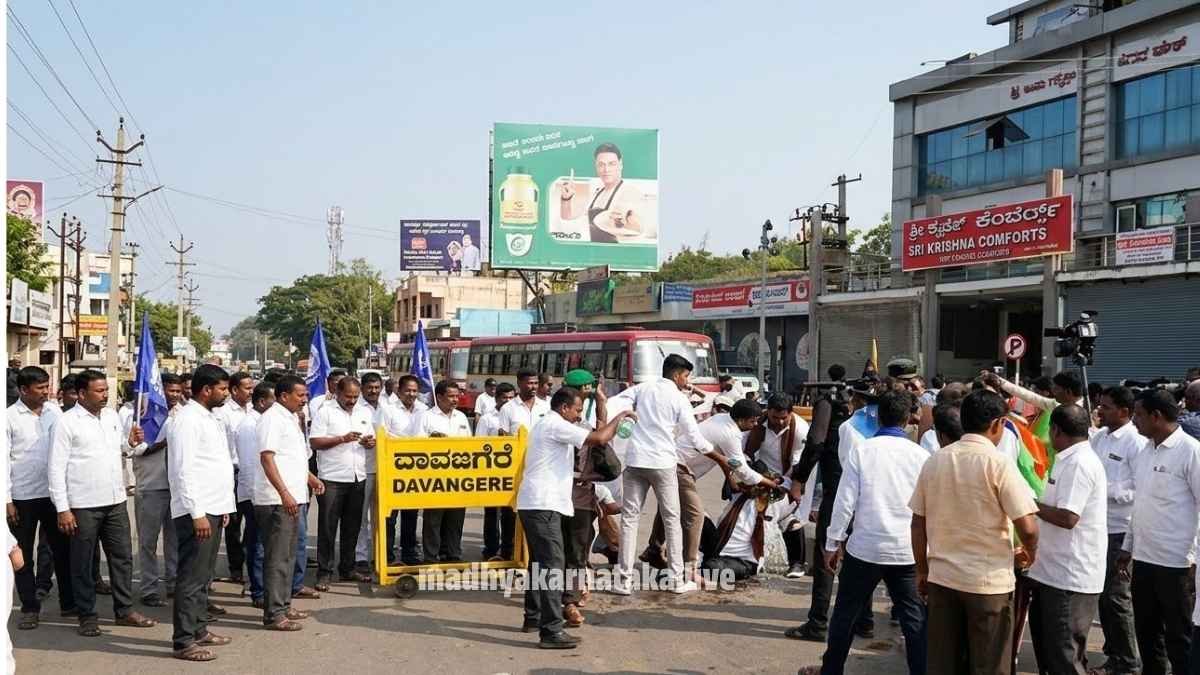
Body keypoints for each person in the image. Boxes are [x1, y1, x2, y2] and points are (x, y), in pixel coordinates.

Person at [909, 389, 1039, 675]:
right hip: (987, 584)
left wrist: (921, 570)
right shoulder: (998, 463)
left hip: (943, 580)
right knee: (990, 665)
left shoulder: (936, 460)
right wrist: (1030, 553)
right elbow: (1028, 527)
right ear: (997, 424)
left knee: (944, 664)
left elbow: (918, 523)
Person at [805, 389, 929, 675]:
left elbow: (845, 501)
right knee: (914, 620)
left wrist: (832, 542)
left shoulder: (863, 451)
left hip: (865, 548)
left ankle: (832, 670)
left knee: (845, 615)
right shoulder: (921, 456)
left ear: (877, 417)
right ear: (908, 420)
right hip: (905, 550)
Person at [517, 386, 634, 648]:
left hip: (538, 503)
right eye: (577, 410)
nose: (578, 415)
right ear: (564, 408)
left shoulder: (548, 425)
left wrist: (602, 407)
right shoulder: (555, 425)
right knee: (552, 567)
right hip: (543, 505)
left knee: (539, 564)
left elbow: (594, 436)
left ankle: (533, 618)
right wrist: (621, 417)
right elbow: (600, 438)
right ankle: (551, 631)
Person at [48, 369, 158, 637]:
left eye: (106, 390)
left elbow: (123, 448)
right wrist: (63, 509)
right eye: (99, 391)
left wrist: (131, 443)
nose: (105, 395)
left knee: (122, 558)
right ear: (82, 394)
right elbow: (55, 467)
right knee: (83, 562)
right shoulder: (66, 422)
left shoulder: (110, 416)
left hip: (115, 500)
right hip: (83, 504)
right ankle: (87, 614)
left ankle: (124, 610)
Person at [610, 354, 712, 595]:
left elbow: (613, 404)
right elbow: (695, 437)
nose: (687, 381)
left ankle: (622, 581)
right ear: (677, 375)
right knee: (671, 519)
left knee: (629, 519)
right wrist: (715, 453)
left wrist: (626, 416)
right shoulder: (678, 398)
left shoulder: (641, 389)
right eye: (686, 376)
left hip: (635, 461)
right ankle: (677, 580)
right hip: (663, 463)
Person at [1116, 389, 1200, 675]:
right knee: (1148, 635)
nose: (1134, 420)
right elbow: (1141, 503)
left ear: (1156, 416)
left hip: (1177, 564)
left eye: (1138, 415)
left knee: (1180, 638)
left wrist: (1193, 560)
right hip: (1144, 559)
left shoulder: (1191, 451)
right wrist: (1128, 547)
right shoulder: (1144, 451)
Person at [787, 373, 874, 643]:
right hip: (868, 496)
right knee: (860, 558)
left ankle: (818, 622)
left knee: (826, 556)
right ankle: (865, 620)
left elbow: (814, 443)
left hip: (838, 493)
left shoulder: (831, 411)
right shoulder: (877, 418)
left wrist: (799, 478)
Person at [1026, 404, 1107, 675]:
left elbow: (1068, 517)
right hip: (1052, 573)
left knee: (1065, 656)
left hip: (1069, 577)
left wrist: (1030, 505)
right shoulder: (1067, 459)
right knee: (1051, 653)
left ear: (1056, 429)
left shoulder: (1079, 463)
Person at [643, 398, 768, 574]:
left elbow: (723, 458)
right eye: (753, 421)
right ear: (741, 420)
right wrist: (768, 482)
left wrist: (730, 480)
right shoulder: (730, 433)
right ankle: (689, 569)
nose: (755, 425)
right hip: (678, 469)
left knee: (669, 508)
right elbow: (742, 470)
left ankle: (654, 550)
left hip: (673, 464)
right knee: (695, 516)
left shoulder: (721, 419)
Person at [167, 364, 237, 662]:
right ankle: (184, 641)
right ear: (206, 390)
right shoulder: (186, 420)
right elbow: (182, 471)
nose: (226, 393)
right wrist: (197, 513)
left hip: (213, 506)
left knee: (203, 575)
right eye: (222, 388)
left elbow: (214, 466)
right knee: (191, 577)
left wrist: (223, 507)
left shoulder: (210, 417)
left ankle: (199, 629)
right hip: (195, 510)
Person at [7, 366, 74, 629]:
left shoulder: (54, 413)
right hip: (21, 497)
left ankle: (69, 603)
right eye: (40, 388)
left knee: (62, 550)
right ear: (23, 390)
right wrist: (7, 499)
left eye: (47, 387)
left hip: (53, 495)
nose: (46, 392)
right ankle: (29, 607)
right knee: (23, 555)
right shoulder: (9, 417)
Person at [255, 374, 323, 631]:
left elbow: (292, 459)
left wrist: (310, 478)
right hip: (276, 500)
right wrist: (284, 493)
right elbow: (267, 458)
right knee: (277, 558)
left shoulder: (291, 418)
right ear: (284, 396)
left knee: (289, 555)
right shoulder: (272, 419)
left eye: (305, 395)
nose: (305, 399)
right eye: (300, 395)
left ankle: (283, 605)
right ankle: (274, 614)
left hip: (294, 497)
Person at [1089, 386, 1147, 675]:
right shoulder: (1098, 438)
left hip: (1120, 530)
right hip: (1097, 527)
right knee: (1103, 597)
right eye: (1100, 406)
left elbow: (1139, 488)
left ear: (1124, 411)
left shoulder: (1136, 443)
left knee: (1116, 597)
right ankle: (1114, 655)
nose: (1100, 410)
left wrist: (1104, 491)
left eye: (1107, 407)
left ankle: (1128, 662)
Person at [309, 376, 374, 589]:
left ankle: (347, 568)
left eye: (356, 396)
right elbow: (315, 442)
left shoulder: (365, 412)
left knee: (352, 526)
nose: (352, 400)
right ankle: (324, 572)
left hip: (358, 476)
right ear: (337, 392)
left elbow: (370, 439)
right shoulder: (325, 412)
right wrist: (341, 439)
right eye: (348, 396)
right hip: (333, 479)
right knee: (328, 528)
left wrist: (368, 442)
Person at [129, 373, 184, 608]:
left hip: (177, 488)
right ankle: (149, 588)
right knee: (148, 542)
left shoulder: (184, 414)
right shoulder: (138, 414)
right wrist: (163, 443)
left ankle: (174, 583)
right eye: (170, 391)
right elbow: (134, 449)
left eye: (177, 391)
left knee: (175, 541)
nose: (174, 395)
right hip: (151, 486)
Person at [744, 393, 810, 578]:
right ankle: (751, 557)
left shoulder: (800, 429)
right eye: (775, 417)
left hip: (790, 478)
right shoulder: (756, 424)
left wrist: (783, 483)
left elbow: (798, 465)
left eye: (784, 418)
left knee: (788, 518)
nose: (780, 422)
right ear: (768, 412)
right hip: (760, 476)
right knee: (746, 510)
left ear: (791, 414)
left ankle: (797, 564)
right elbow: (745, 452)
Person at [410, 381, 473, 562]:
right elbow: (415, 445)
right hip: (434, 477)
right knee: (433, 519)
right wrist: (432, 440)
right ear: (439, 397)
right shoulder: (426, 417)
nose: (455, 399)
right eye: (451, 396)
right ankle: (431, 556)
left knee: (455, 518)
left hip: (458, 477)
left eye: (457, 396)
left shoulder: (461, 417)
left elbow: (469, 444)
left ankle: (452, 554)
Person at [377, 374, 428, 565]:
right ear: (399, 391)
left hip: (414, 470)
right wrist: (406, 444)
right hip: (391, 469)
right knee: (390, 516)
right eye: (408, 390)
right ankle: (387, 556)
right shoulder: (387, 409)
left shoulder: (424, 410)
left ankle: (409, 553)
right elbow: (382, 435)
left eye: (415, 391)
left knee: (411, 514)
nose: (412, 394)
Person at [558, 142, 649, 244]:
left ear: (620, 164)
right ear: (596, 167)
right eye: (601, 164)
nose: (606, 169)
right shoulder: (597, 193)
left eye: (611, 164)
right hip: (594, 252)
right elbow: (568, 217)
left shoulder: (630, 192)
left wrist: (621, 222)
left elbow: (639, 229)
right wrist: (566, 198)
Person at [235, 383, 274, 609]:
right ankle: (257, 590)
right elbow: (249, 466)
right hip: (255, 496)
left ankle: (265, 588)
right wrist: (254, 498)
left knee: (265, 545)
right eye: (273, 400)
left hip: (265, 494)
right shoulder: (250, 426)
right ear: (261, 402)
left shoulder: (264, 423)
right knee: (257, 545)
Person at [216, 371, 254, 584]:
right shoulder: (223, 413)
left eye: (252, 388)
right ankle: (235, 568)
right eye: (246, 388)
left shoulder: (253, 409)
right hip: (233, 472)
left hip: (251, 473)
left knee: (253, 522)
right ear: (233, 390)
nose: (250, 392)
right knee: (233, 524)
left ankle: (251, 564)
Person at [478, 382, 517, 561]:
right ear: (496, 398)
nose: (508, 402)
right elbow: (478, 445)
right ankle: (491, 550)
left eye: (511, 398)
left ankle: (507, 550)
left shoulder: (518, 416)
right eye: (504, 398)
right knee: (492, 514)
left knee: (510, 514)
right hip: (492, 472)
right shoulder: (487, 419)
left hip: (512, 473)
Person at [353, 372, 386, 574]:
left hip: (385, 469)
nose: (373, 391)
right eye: (370, 388)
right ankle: (361, 557)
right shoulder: (355, 409)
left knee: (382, 517)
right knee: (361, 517)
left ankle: (381, 556)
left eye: (377, 387)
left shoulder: (388, 408)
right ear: (363, 389)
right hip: (363, 469)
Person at [499, 368, 551, 436]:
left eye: (536, 383)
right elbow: (503, 436)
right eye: (530, 383)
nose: (534, 387)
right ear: (519, 383)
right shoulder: (507, 408)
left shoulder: (546, 406)